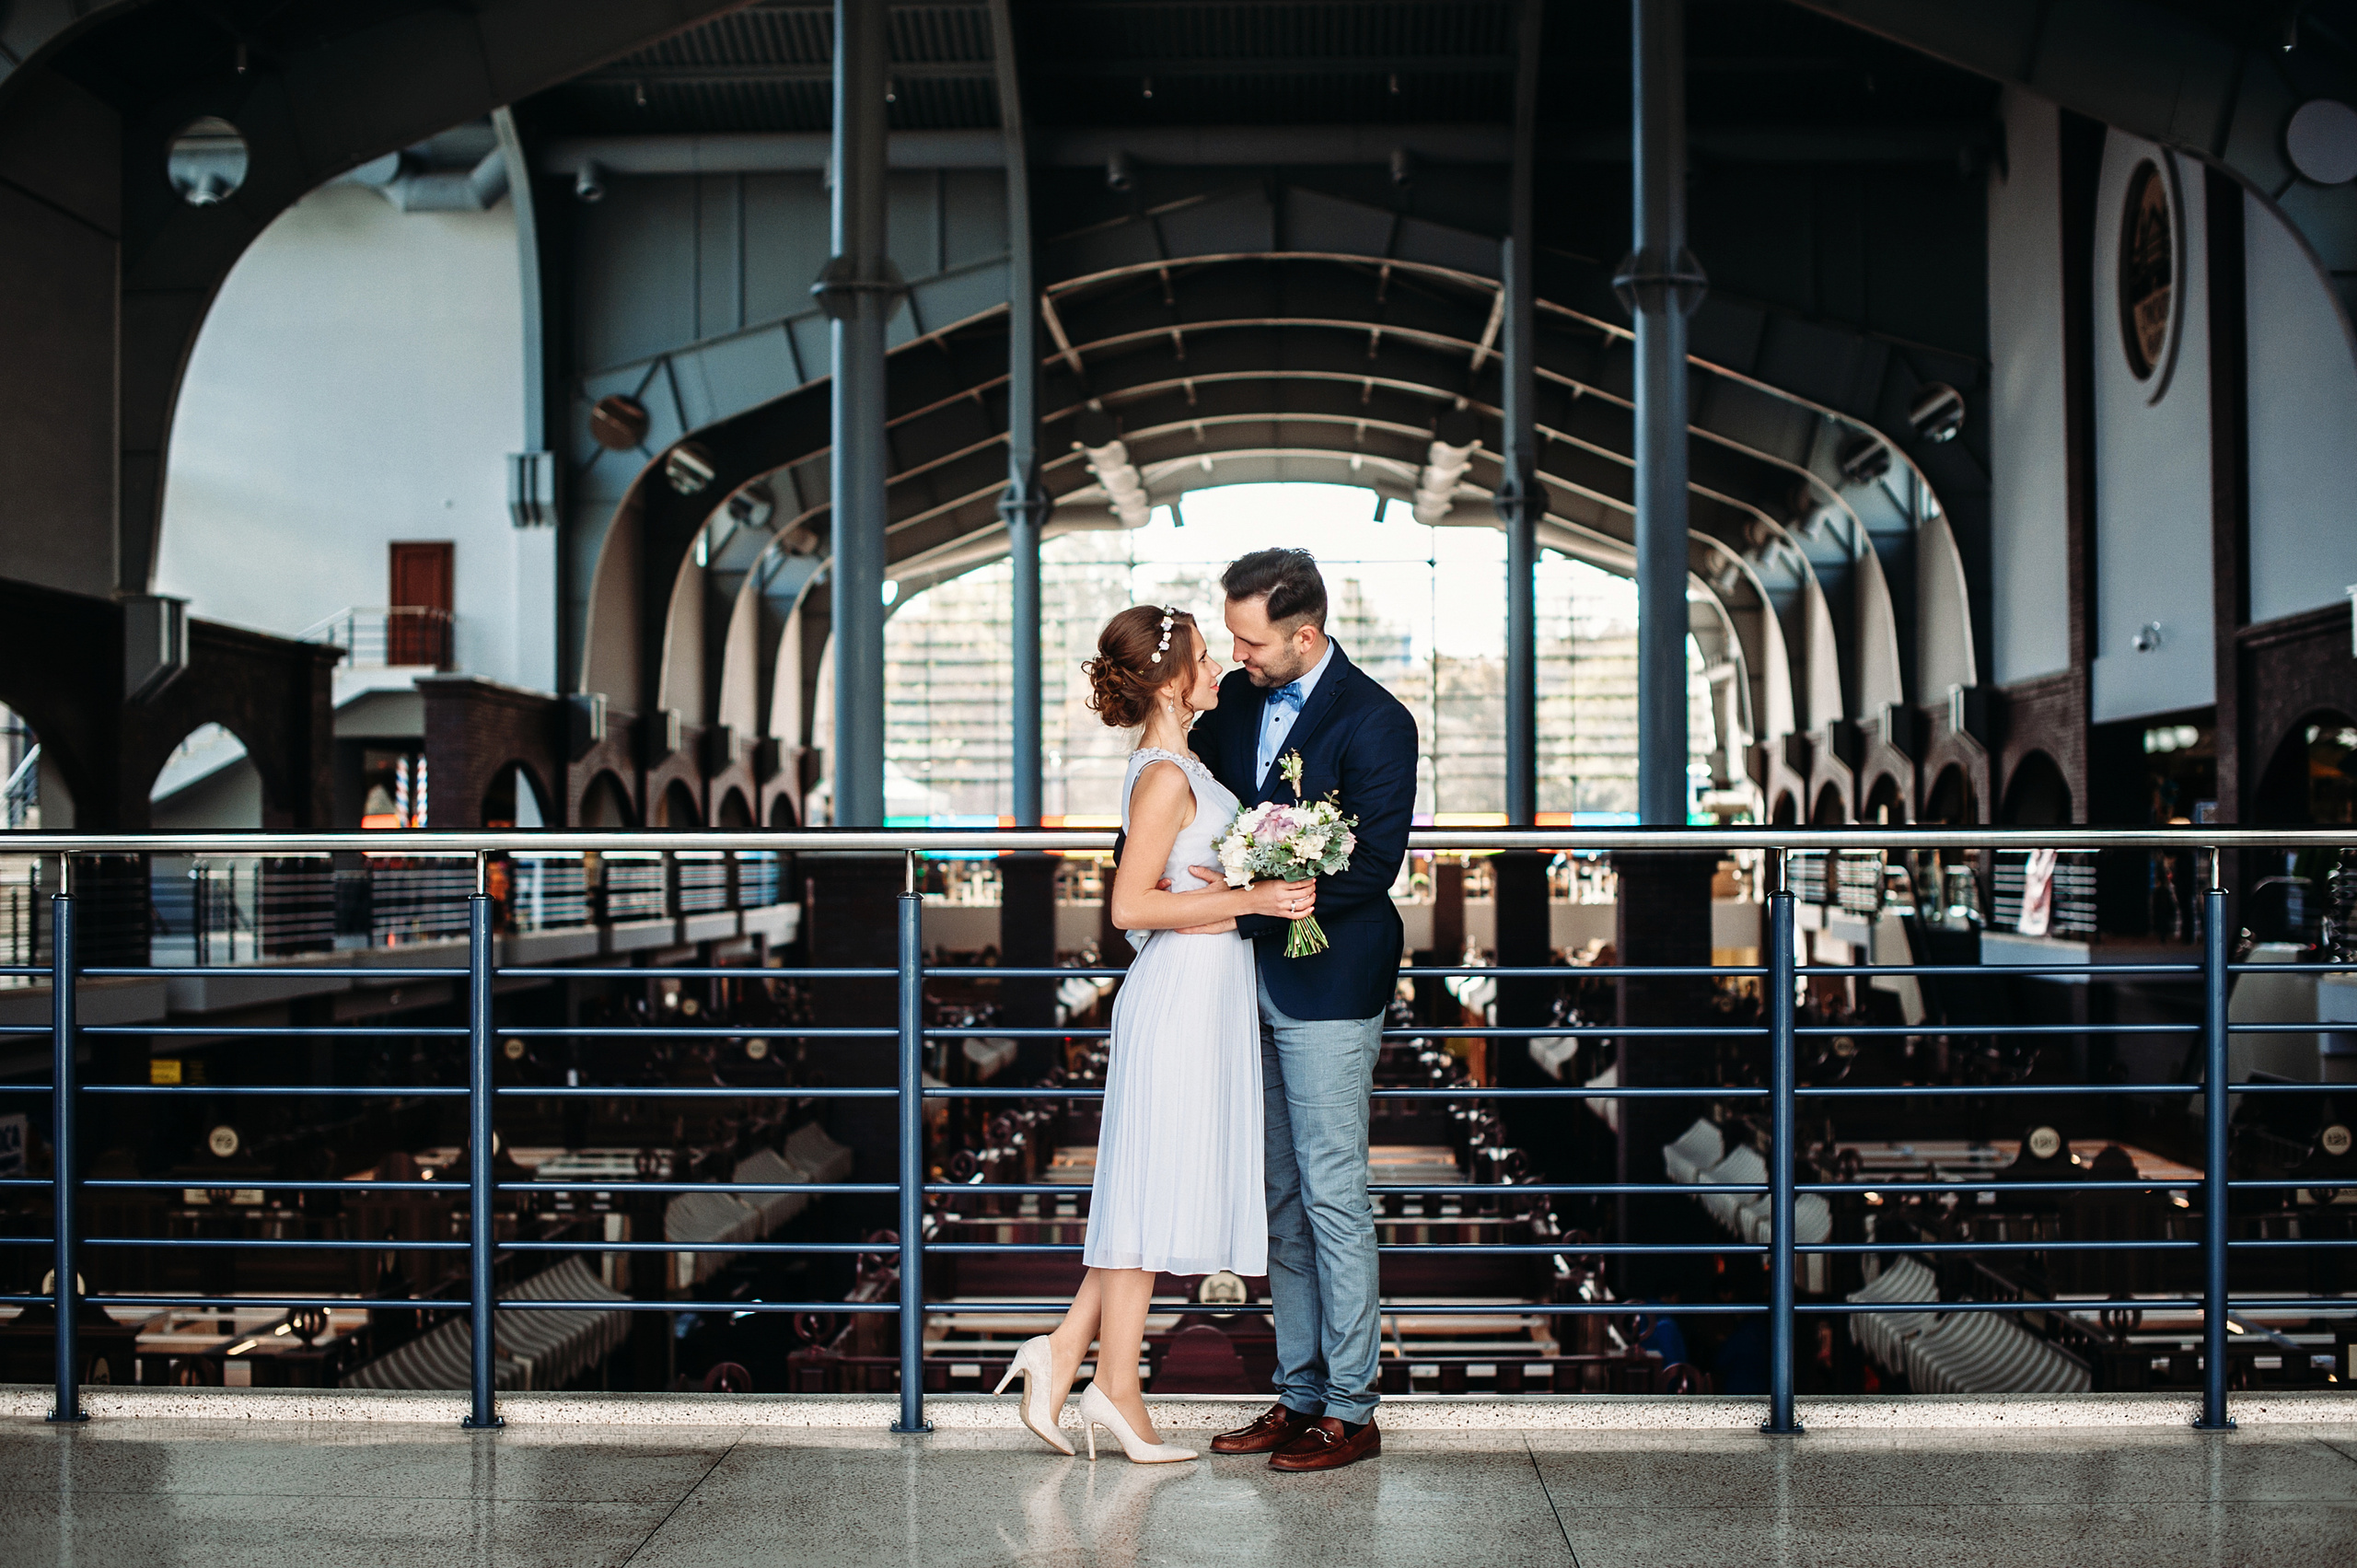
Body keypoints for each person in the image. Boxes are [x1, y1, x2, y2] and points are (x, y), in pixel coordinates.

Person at [994, 605, 1316, 1464]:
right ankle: (1114, 1388)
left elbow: (1176, 883)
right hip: (1181, 995)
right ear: (1173, 678)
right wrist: (1251, 898)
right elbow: (1131, 906)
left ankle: (1069, 1355)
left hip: (1204, 989)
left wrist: (1244, 874)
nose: (1220, 670)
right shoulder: (1166, 774)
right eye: (1207, 659)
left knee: (1144, 1186)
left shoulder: (1179, 763)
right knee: (1143, 1189)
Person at [1182, 549, 1419, 1473]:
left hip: (1331, 977)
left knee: (1331, 1192)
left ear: (1305, 635)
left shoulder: (1376, 719)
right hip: (1245, 972)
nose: (1235, 654)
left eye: (1249, 639)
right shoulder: (1236, 701)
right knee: (1281, 1198)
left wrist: (1250, 875)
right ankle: (1299, 1393)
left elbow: (1370, 865)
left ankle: (1352, 1410)